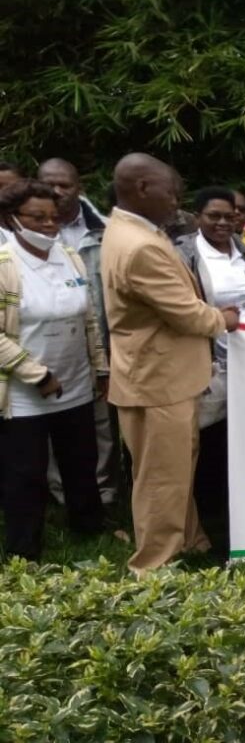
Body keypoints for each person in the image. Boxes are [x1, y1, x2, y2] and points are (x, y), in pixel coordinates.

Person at [101, 153, 240, 573]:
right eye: (172, 192)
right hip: (156, 379)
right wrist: (224, 319)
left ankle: (192, 542)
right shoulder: (140, 244)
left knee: (177, 470)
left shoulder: (131, 230)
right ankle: (153, 564)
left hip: (165, 378)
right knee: (162, 478)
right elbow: (186, 314)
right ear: (143, 188)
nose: (177, 201)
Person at [0, 180, 107, 560]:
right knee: (25, 473)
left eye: (53, 217)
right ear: (13, 219)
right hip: (24, 392)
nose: (48, 224)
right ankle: (23, 551)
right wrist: (37, 375)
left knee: (81, 462)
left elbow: (90, 318)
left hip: (76, 381)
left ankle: (89, 529)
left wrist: (100, 368)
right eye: (37, 217)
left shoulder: (68, 255)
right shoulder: (5, 265)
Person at [175, 186, 245, 554]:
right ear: (198, 217)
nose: (222, 222)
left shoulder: (242, 249)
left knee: (237, 441)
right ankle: (203, 519)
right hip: (209, 363)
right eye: (213, 216)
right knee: (204, 440)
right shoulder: (184, 252)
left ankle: (232, 513)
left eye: (229, 216)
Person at [37, 157, 120, 506]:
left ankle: (103, 492)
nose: (57, 192)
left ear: (79, 187)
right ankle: (59, 494)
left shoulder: (104, 229)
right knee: (49, 423)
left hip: (95, 339)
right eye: (49, 184)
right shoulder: (20, 229)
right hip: (40, 343)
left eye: (65, 185)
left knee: (101, 425)